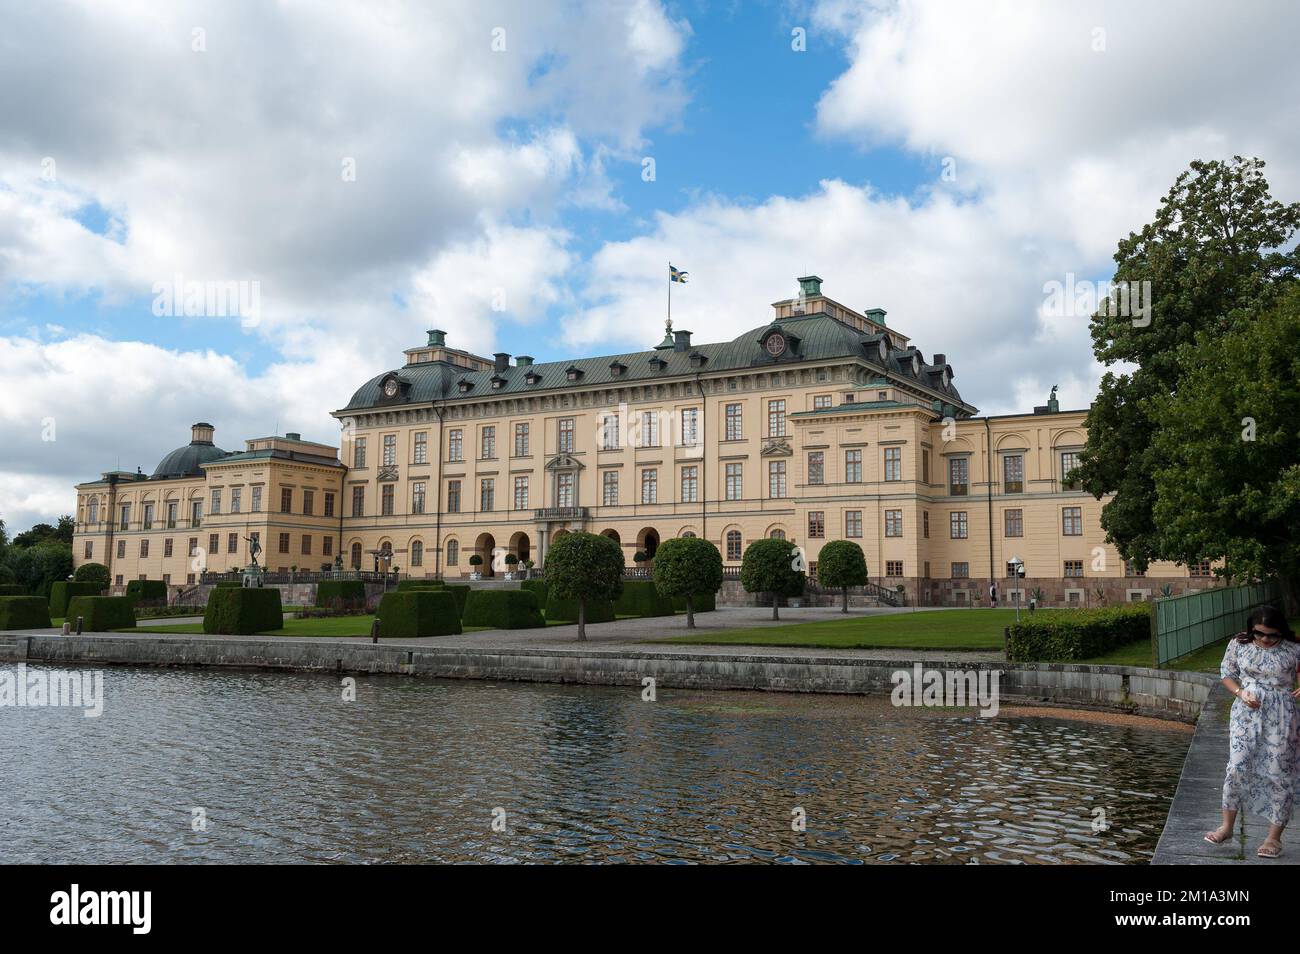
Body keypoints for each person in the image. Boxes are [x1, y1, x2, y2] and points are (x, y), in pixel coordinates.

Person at [1204, 605, 1300, 858]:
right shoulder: (1239, 643)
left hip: (1282, 716)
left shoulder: (1294, 647)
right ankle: (1226, 827)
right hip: (1246, 713)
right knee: (1236, 766)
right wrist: (1240, 692)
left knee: (1279, 773)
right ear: (1251, 629)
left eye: (1272, 635)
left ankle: (1273, 838)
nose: (1265, 639)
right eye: (1260, 633)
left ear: (1282, 632)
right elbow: (1227, 673)